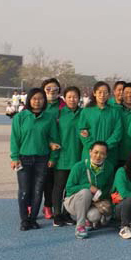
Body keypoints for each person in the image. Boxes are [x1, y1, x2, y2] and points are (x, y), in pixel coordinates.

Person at [10, 88, 60, 230]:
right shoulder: (20, 117)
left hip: (42, 159)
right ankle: (24, 219)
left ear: (44, 101)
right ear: (29, 100)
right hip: (23, 159)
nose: (37, 101)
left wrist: (53, 158)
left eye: (40, 99)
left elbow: (54, 139)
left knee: (38, 191)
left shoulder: (49, 118)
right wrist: (14, 157)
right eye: (34, 99)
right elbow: (15, 139)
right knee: (24, 190)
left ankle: (33, 219)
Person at [64, 141, 115, 239]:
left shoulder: (109, 167)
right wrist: (88, 186)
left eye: (102, 153)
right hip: (73, 201)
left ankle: (88, 220)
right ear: (90, 152)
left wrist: (100, 195)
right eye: (96, 152)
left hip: (93, 202)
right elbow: (69, 188)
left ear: (106, 155)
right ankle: (80, 226)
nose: (98, 156)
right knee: (85, 192)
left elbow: (108, 187)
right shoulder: (79, 167)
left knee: (95, 216)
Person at [51, 86, 83, 226]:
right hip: (62, 157)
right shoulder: (59, 115)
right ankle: (57, 214)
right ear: (64, 98)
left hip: (79, 156)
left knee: (72, 188)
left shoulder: (84, 113)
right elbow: (52, 135)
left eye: (75, 97)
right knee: (59, 187)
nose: (72, 99)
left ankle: (67, 213)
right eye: (69, 97)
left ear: (79, 98)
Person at [78, 81, 124, 167]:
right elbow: (82, 131)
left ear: (108, 94)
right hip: (90, 153)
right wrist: (94, 148)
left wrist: (105, 147)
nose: (102, 95)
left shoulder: (114, 112)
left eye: (105, 92)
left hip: (109, 154)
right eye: (99, 92)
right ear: (94, 93)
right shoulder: (86, 111)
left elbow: (118, 133)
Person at [40, 78, 64, 219]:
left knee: (57, 180)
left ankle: (55, 206)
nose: (51, 92)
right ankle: (46, 205)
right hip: (43, 147)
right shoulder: (38, 105)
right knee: (45, 179)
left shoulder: (64, 107)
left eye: (55, 89)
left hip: (61, 147)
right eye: (48, 89)